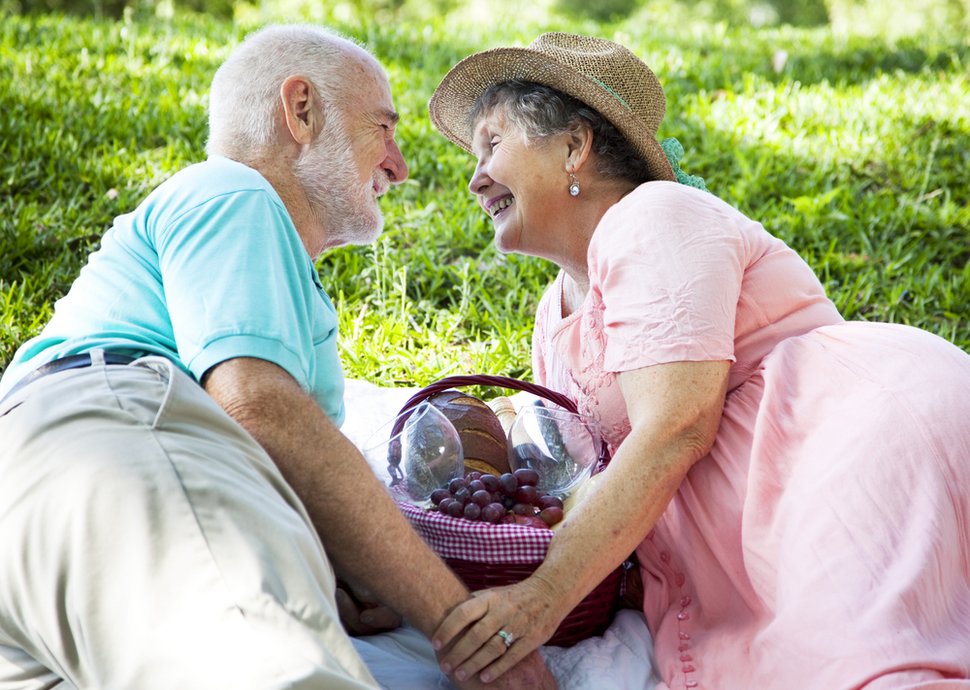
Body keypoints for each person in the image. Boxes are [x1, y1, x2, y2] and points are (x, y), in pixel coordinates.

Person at [0, 24, 553, 690]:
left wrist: (338, 568)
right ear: (301, 110)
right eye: (383, 128)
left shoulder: (279, 272)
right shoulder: (234, 191)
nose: (400, 166)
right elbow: (259, 406)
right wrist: (463, 628)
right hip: (117, 438)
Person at [426, 32, 970, 689]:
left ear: (574, 146)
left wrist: (542, 600)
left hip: (838, 441)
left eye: (492, 144)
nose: (473, 176)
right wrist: (426, 571)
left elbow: (677, 425)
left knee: (870, 666)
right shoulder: (552, 314)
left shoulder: (654, 215)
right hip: (739, 521)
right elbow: (577, 483)